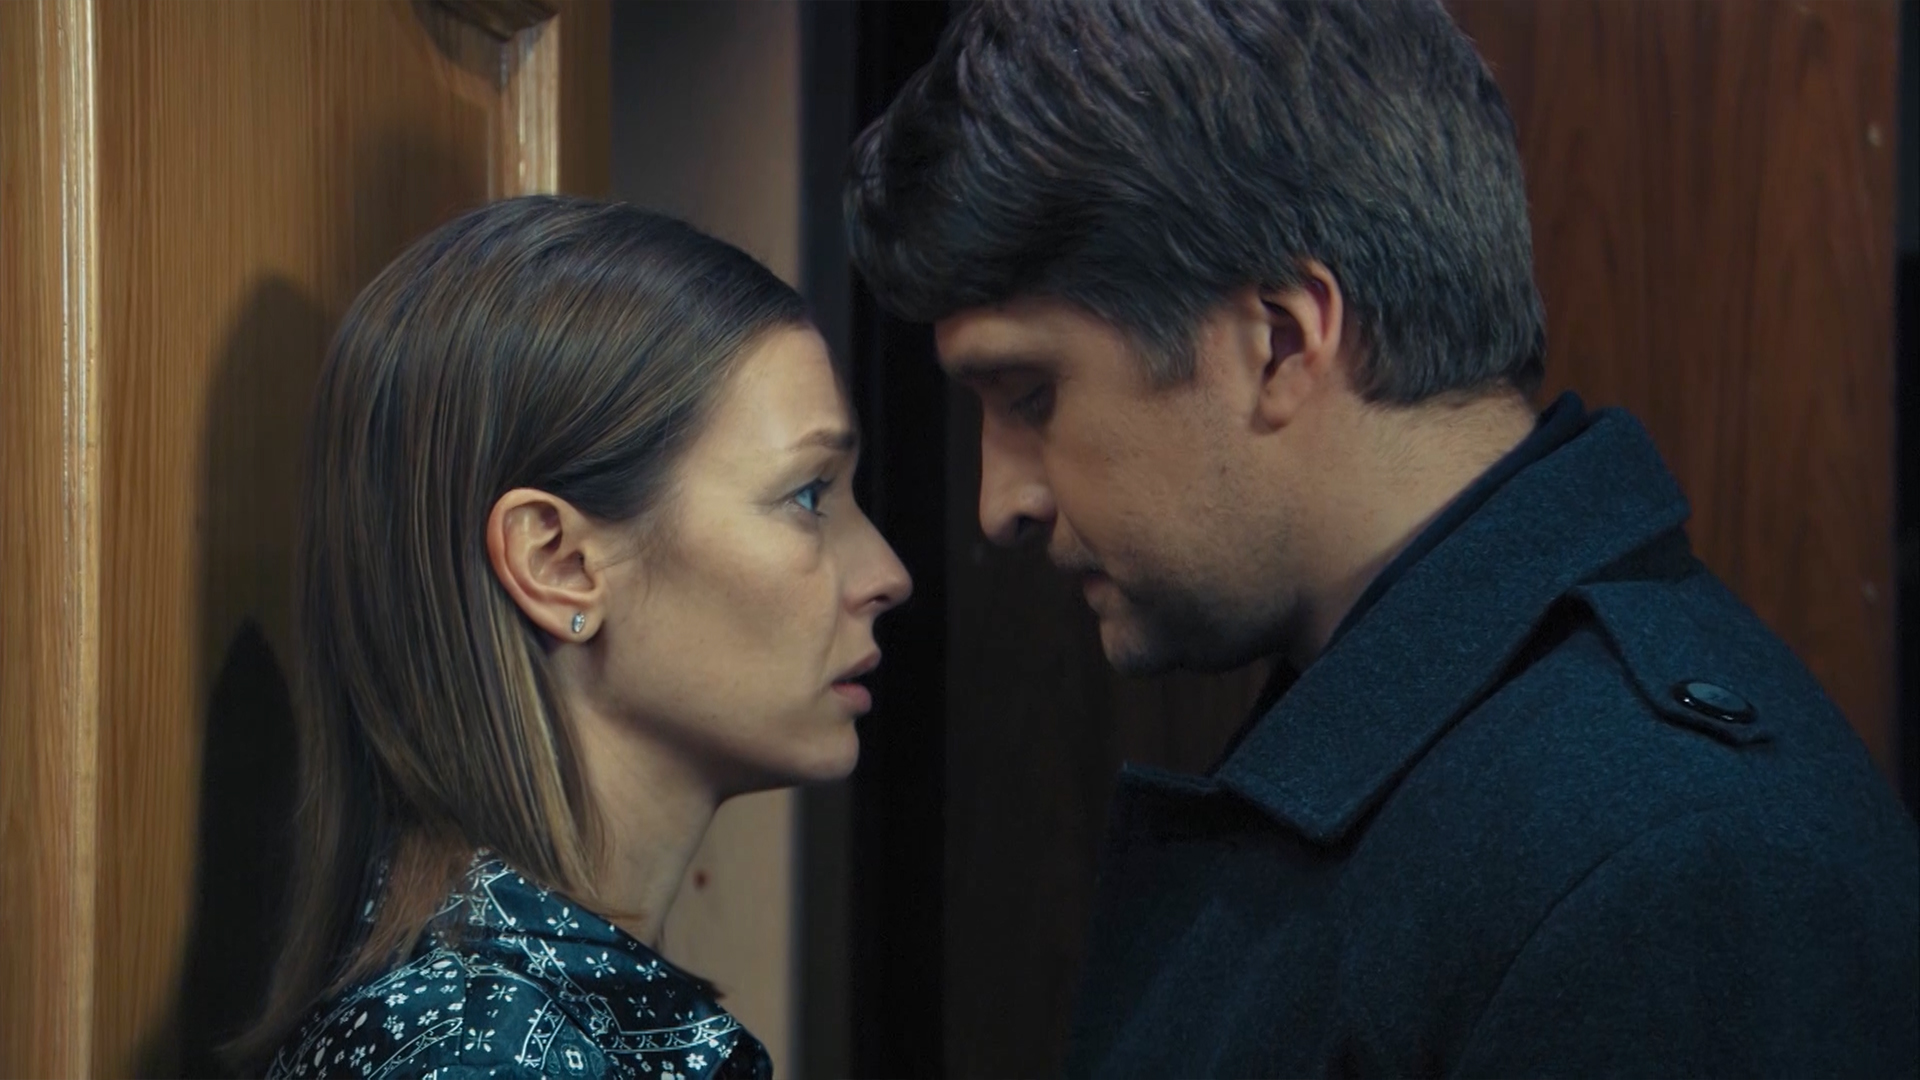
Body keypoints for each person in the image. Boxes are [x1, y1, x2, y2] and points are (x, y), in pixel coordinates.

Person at [844, 1, 1919, 1075]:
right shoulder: (1459, 752)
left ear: (1280, 341)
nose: (1001, 503)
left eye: (1030, 395)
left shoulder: (1672, 867)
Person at [235, 196, 911, 1079]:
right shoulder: (479, 1058)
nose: (887, 573)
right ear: (555, 561)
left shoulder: (522, 1026)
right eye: (809, 496)